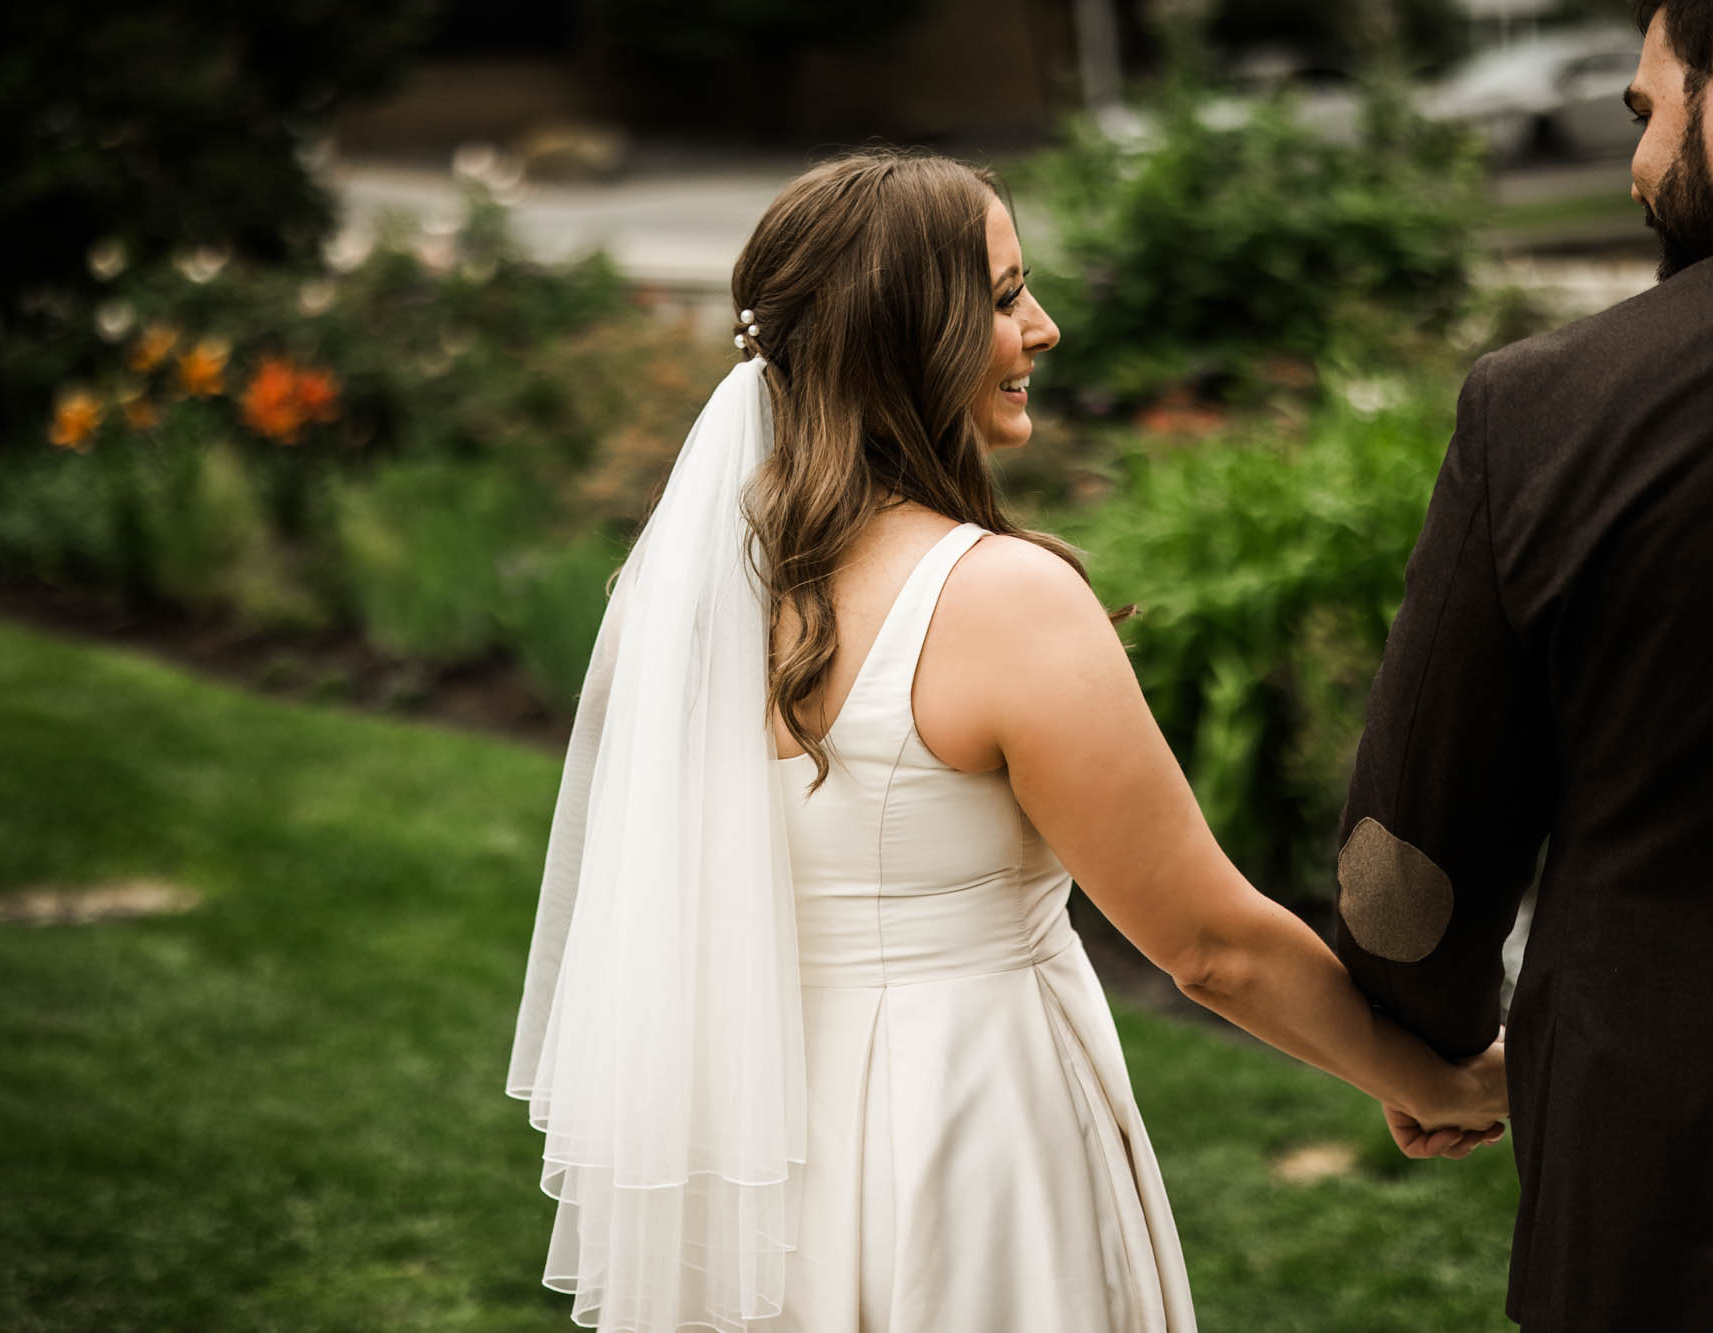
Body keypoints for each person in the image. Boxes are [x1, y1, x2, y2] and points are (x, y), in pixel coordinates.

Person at [509, 149, 1505, 1333]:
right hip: (965, 1129)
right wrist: (1427, 1075)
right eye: (999, 296)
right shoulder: (997, 598)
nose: (1041, 326)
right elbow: (1205, 944)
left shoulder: (662, 599)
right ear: (902, 334)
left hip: (751, 1146)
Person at [1331, 2, 1713, 1328]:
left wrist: (1437, 1045)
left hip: (1686, 1187)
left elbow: (1407, 875)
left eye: (1643, 112)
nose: (1635, 167)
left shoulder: (1556, 404)